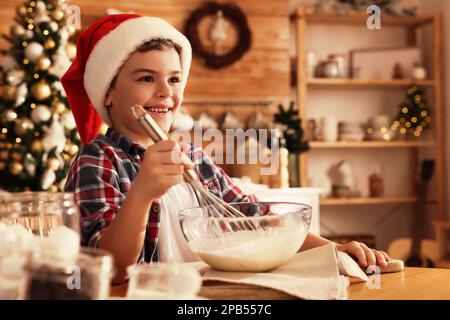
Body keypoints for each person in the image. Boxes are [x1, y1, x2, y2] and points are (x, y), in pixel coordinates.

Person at [62, 14, 390, 282]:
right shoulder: (98, 160)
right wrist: (142, 193)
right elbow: (111, 270)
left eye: (174, 80)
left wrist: (334, 250)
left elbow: (254, 218)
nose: (165, 92)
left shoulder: (193, 157)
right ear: (108, 92)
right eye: (147, 78)